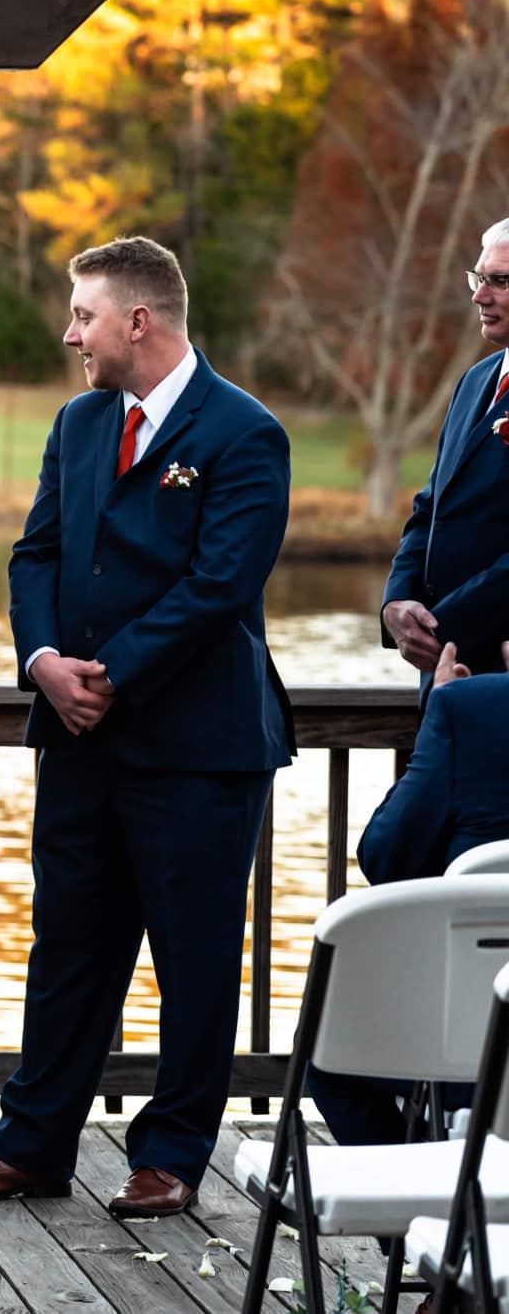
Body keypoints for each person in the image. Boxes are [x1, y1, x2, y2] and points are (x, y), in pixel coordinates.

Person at [0, 236, 294, 1218]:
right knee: (67, 948)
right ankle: (29, 1146)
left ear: (138, 319)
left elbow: (220, 585)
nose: (68, 333)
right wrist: (43, 662)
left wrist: (111, 673)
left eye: (82, 315)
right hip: (78, 737)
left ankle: (170, 1153)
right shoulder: (78, 422)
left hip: (199, 749)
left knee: (193, 959)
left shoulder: (244, 432)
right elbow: (34, 553)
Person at [304, 640, 509, 1149]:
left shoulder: (468, 707)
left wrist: (439, 716)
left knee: (332, 1063)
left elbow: (387, 856)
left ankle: (418, 1195)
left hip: (470, 1051)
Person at [383, 217, 509, 693]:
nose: (480, 296)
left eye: (500, 281)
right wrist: (397, 603)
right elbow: (432, 508)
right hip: (442, 672)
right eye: (479, 278)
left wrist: (441, 627)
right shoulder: (475, 381)